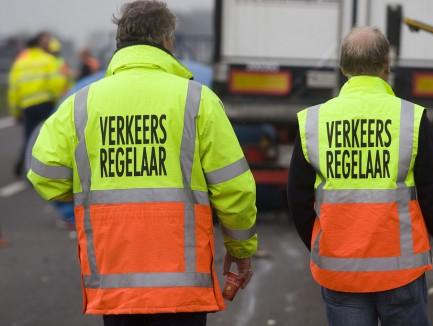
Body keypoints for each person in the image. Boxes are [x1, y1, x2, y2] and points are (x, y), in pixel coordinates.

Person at [27, 1, 258, 325]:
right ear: (167, 41)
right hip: (182, 288)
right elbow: (234, 187)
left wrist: (96, 186)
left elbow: (43, 175)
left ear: (120, 42)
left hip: (115, 283)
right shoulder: (196, 100)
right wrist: (240, 247)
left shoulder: (81, 104)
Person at [288, 26, 433, 326]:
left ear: (343, 67)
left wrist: (322, 245)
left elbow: (298, 199)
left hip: (341, 273)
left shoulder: (313, 122)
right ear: (386, 66)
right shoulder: (411, 119)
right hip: (401, 274)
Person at [8, 32, 66, 176]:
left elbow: (13, 90)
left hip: (27, 106)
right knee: (49, 137)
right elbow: (56, 84)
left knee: (29, 136)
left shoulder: (19, 63)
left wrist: (15, 112)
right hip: (46, 103)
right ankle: (47, 169)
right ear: (40, 45)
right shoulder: (48, 60)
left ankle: (25, 166)